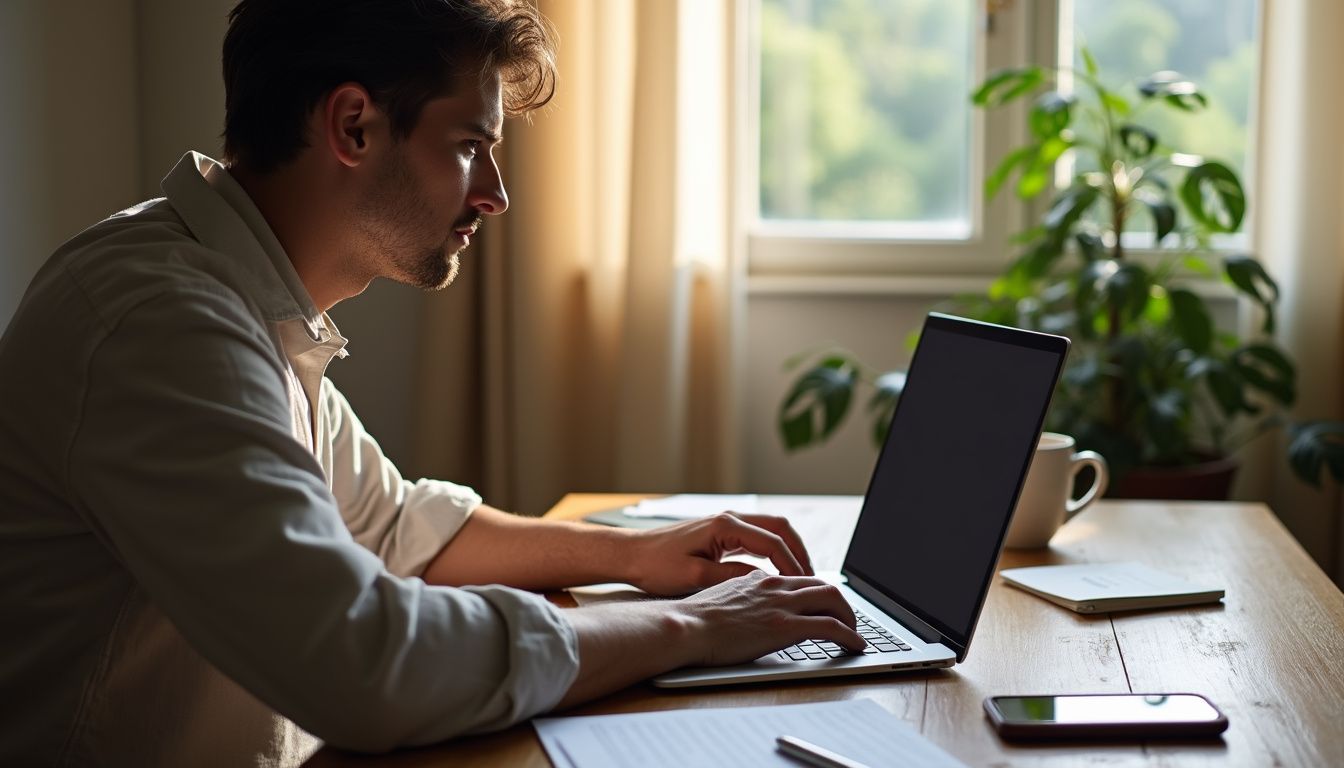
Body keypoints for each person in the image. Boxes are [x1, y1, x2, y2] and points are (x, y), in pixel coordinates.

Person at [0, 1, 864, 765]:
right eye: (469, 146)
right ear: (353, 126)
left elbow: (396, 526)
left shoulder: (239, 300)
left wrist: (633, 556)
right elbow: (363, 664)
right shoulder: (163, 324)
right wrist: (692, 629)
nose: (495, 195)